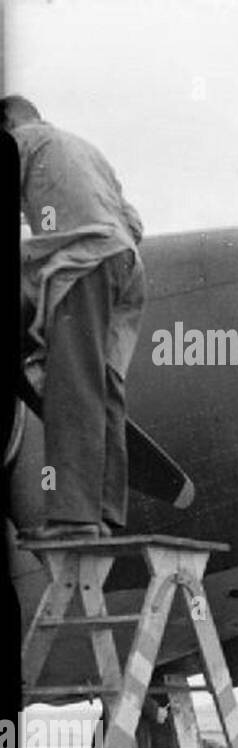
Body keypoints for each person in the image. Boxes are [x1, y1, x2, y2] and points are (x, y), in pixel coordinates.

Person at [4, 96, 145, 540]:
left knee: (71, 386)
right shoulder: (86, 150)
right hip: (126, 266)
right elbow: (134, 223)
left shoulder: (22, 141)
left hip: (81, 263)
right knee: (104, 388)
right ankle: (103, 514)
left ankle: (73, 519)